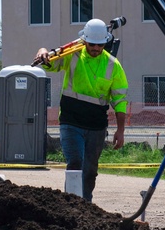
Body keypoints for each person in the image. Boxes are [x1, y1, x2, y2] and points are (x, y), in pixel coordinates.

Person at [35, 18, 128, 202]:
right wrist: (42, 51)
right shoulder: (72, 55)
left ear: (105, 43)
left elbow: (120, 100)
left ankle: (85, 205)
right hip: (71, 122)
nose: (95, 48)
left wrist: (120, 130)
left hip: (96, 126)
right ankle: (71, 204)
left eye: (100, 45)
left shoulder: (113, 65)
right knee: (75, 163)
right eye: (92, 44)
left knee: (90, 171)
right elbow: (50, 63)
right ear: (84, 41)